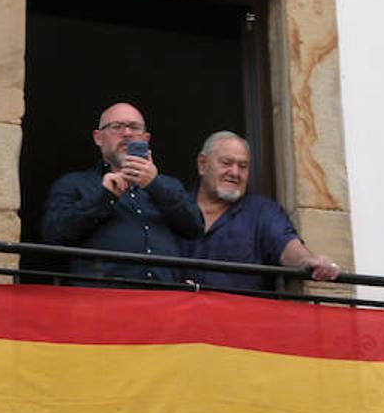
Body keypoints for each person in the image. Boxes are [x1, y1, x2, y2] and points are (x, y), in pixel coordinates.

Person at [41, 102, 204, 285]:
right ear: (98, 138)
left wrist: (154, 185)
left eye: (134, 127)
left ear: (146, 139)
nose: (127, 133)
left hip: (165, 300)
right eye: (117, 127)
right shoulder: (73, 184)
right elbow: (53, 235)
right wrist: (104, 198)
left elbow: (195, 227)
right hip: (102, 302)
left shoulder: (168, 185)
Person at [176, 131, 340, 292]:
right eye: (226, 163)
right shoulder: (175, 206)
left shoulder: (262, 212)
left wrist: (308, 260)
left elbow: (286, 245)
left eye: (243, 166)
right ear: (202, 164)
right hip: (177, 315)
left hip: (237, 317)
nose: (234, 173)